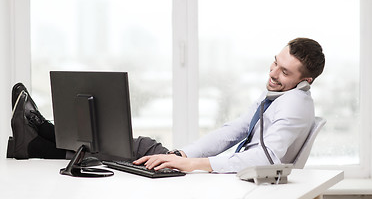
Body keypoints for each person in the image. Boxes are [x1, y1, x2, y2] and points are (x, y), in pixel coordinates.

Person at [7, 37, 325, 174]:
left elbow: (265, 158)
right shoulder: (278, 96)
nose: (273, 74)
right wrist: (183, 155)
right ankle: (37, 138)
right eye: (274, 63)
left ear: (304, 81)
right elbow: (236, 130)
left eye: (284, 72)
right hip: (219, 171)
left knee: (123, 149)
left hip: (230, 177)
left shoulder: (295, 107)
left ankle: (38, 136)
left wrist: (192, 165)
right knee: (132, 147)